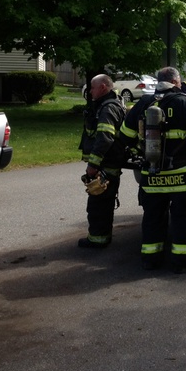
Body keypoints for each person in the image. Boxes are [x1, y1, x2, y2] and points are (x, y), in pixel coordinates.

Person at [120, 67, 186, 273]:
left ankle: (150, 260)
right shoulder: (184, 103)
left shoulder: (144, 103)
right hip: (182, 177)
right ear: (176, 82)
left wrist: (139, 150)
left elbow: (125, 135)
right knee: (183, 219)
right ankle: (182, 262)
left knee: (153, 218)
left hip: (152, 175)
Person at [77, 74, 127, 249]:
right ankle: (101, 237)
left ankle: (97, 240)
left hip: (106, 165)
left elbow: (105, 138)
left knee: (98, 205)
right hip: (108, 164)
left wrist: (93, 165)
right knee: (102, 204)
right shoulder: (108, 105)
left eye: (93, 87)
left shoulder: (108, 108)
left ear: (103, 87)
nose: (90, 91)